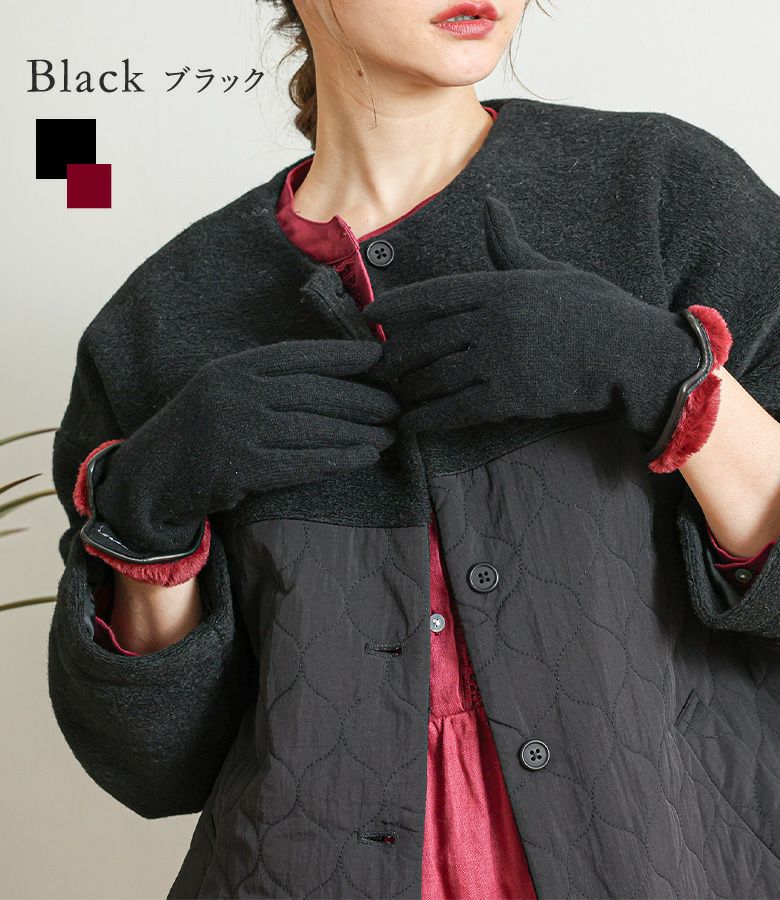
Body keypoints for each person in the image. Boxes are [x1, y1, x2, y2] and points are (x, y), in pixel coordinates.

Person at [48, 1, 780, 898]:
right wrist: (148, 518)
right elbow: (155, 769)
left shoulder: (659, 194)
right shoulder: (162, 318)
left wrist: (667, 374)